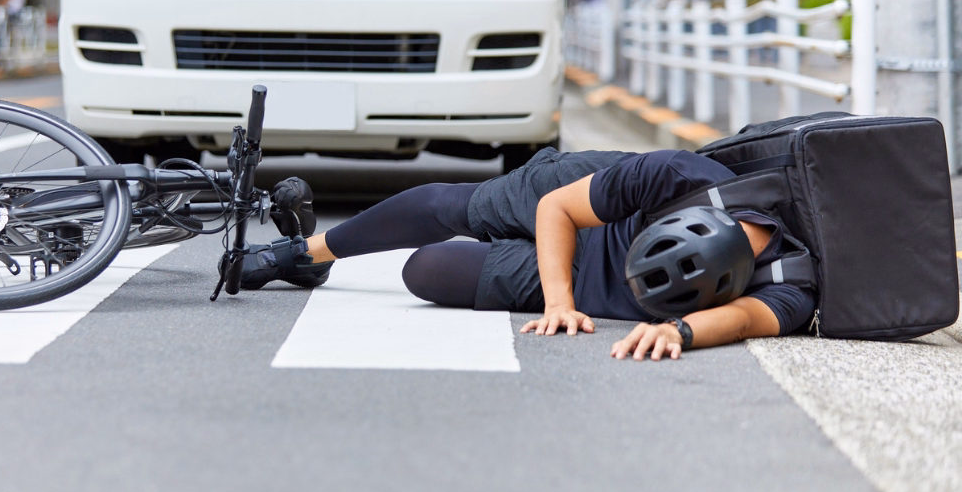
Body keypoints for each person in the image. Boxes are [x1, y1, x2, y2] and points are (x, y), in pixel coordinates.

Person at [242, 149, 816, 362]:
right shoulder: (679, 177)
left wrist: (681, 332)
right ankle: (307, 251)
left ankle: (522, 263)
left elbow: (744, 320)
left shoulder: (793, 284)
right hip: (580, 204)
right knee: (453, 208)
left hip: (598, 284)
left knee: (426, 271)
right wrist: (559, 303)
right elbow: (557, 211)